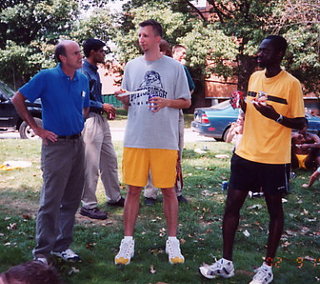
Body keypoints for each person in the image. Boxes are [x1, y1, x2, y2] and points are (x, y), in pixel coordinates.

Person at [199, 35, 305, 284]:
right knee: (231, 207)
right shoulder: (255, 78)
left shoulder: (292, 84)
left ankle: (267, 267)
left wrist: (277, 117)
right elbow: (250, 108)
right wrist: (241, 104)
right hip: (245, 154)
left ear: (279, 53)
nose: (259, 55)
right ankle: (226, 263)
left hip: (273, 159)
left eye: (265, 51)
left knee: (275, 211)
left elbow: (300, 122)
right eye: (259, 50)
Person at [114, 19, 191, 265]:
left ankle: (172, 241)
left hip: (165, 140)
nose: (141, 39)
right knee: (133, 190)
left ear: (158, 39)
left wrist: (166, 102)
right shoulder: (131, 66)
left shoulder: (174, 68)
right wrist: (122, 98)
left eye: (145, 35)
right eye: (139, 35)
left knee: (169, 190)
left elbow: (186, 101)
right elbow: (127, 103)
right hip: (135, 138)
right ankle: (127, 242)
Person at [12, 40, 90, 264]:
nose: (80, 56)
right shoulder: (46, 77)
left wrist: (78, 122)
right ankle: (42, 253)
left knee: (73, 199)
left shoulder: (82, 78)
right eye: (75, 53)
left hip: (78, 145)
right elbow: (18, 98)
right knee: (51, 201)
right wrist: (37, 128)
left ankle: (61, 246)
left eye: (80, 52)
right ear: (62, 58)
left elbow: (84, 106)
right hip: (56, 147)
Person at [143, 42, 195, 206]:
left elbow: (188, 93)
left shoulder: (179, 69)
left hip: (174, 115)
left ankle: (175, 190)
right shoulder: (147, 68)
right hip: (153, 116)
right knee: (151, 152)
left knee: (174, 153)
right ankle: (150, 193)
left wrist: (173, 100)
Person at [80, 38, 124, 220]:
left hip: (100, 119)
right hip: (90, 120)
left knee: (110, 160)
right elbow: (80, 100)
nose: (104, 55)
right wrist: (102, 105)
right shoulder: (83, 72)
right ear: (92, 52)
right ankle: (88, 205)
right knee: (90, 164)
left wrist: (105, 109)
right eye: (101, 51)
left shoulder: (94, 71)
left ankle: (114, 197)